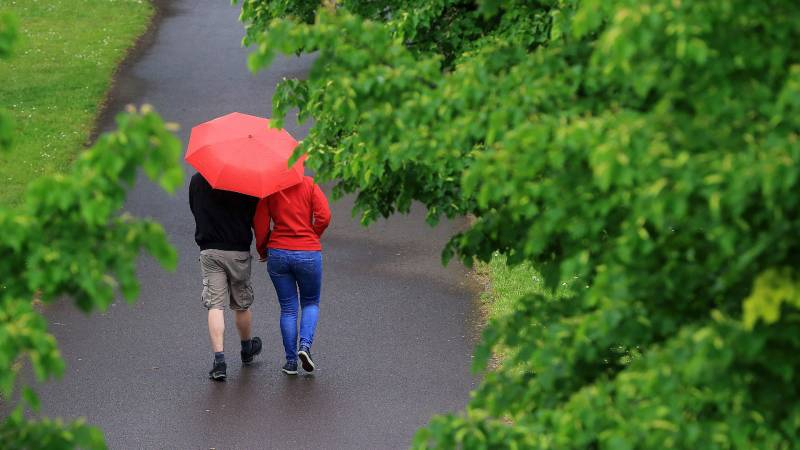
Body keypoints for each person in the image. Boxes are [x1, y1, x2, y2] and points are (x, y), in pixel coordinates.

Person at [253, 176, 331, 375]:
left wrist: (263, 251)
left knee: (288, 308)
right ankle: (304, 346)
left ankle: (290, 362)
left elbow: (260, 223)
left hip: (278, 253)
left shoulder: (269, 187)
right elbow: (324, 216)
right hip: (308, 253)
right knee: (311, 303)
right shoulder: (309, 184)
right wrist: (312, 235)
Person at [189, 172, 263, 381]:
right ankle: (247, 348)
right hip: (238, 249)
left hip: (209, 249)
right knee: (241, 303)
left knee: (215, 305)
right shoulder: (246, 180)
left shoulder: (197, 180)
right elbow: (254, 213)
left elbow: (195, 209)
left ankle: (219, 361)